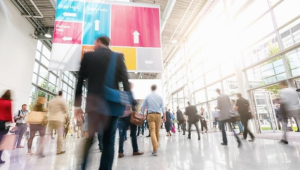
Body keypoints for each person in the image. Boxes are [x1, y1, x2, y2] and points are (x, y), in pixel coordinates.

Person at [74, 36, 131, 170]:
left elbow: (80, 81)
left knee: (89, 138)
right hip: (111, 105)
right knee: (109, 140)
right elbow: (126, 82)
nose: (94, 45)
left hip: (93, 104)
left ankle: (82, 167)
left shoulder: (88, 57)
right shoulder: (117, 57)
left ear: (99, 42)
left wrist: (77, 105)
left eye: (95, 42)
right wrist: (129, 103)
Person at [118, 83, 144, 158]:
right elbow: (134, 102)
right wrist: (136, 101)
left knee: (122, 135)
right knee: (133, 134)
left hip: (121, 117)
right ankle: (135, 150)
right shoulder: (129, 93)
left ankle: (120, 152)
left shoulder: (121, 94)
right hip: (130, 116)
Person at [142, 84, 166, 156]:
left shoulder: (147, 96)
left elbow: (143, 106)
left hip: (151, 115)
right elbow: (163, 108)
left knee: (152, 131)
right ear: (156, 89)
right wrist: (164, 116)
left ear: (151, 89)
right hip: (158, 115)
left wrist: (143, 114)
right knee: (157, 131)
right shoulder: (160, 97)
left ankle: (155, 149)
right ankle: (155, 149)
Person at [48, 90, 67, 155]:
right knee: (60, 135)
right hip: (59, 120)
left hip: (51, 119)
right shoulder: (62, 101)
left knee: (48, 134)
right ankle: (58, 150)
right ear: (62, 95)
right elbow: (65, 110)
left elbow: (49, 109)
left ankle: (41, 150)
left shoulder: (51, 100)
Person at [0, 90, 13, 164]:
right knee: (1, 142)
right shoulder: (9, 102)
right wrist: (12, 123)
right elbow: (9, 114)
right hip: (2, 124)